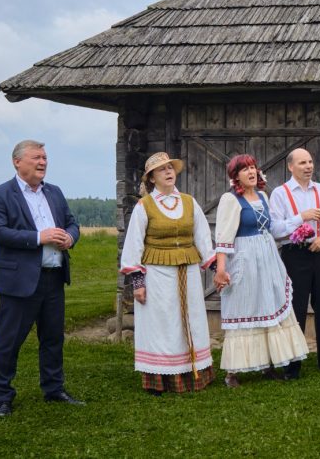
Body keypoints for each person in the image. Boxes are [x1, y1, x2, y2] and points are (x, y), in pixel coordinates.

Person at [0, 139, 83, 417]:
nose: (43, 162)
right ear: (17, 161)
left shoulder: (54, 192)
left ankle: (54, 389)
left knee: (52, 338)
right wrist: (39, 237)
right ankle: (2, 396)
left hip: (53, 277)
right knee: (9, 340)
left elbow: (72, 222)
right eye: (37, 157)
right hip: (19, 281)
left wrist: (69, 238)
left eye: (45, 158)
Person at [119, 152, 215, 394]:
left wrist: (215, 268)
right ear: (151, 178)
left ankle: (192, 373)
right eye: (162, 170)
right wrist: (138, 282)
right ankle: (158, 379)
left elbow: (202, 237)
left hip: (188, 271)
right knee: (160, 322)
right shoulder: (145, 206)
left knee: (190, 318)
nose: (169, 172)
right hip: (157, 274)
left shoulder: (189, 202)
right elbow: (134, 244)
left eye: (171, 167)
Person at [213, 154, 309, 386]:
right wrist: (221, 269)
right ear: (235, 176)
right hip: (244, 258)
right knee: (243, 306)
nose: (251, 172)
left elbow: (274, 228)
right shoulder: (230, 200)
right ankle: (232, 372)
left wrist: (300, 222)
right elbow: (223, 238)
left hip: (267, 257)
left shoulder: (263, 196)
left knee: (268, 303)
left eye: (254, 167)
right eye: (245, 169)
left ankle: (267, 364)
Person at [269, 148, 320, 377]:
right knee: (296, 309)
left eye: (310, 161)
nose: (308, 166)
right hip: (294, 254)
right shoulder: (280, 193)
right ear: (291, 167)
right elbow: (274, 229)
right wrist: (301, 217)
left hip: (319, 252)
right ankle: (293, 365)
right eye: (302, 162)